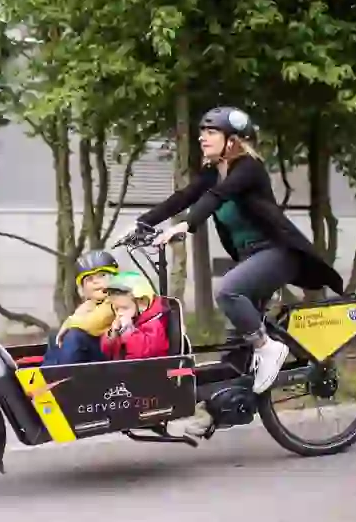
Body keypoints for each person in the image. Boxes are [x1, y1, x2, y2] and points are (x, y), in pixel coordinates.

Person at [131, 106, 344, 438]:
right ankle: (215, 411)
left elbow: (216, 199)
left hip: (277, 252)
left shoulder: (249, 169)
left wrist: (185, 227)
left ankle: (269, 347)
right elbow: (184, 197)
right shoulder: (214, 173)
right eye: (202, 131)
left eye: (211, 131)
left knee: (229, 291)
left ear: (233, 141)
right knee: (233, 350)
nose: (202, 137)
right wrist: (142, 224)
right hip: (250, 257)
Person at [40, 250, 120, 366]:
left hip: (110, 352)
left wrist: (69, 323)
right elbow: (77, 318)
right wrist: (67, 326)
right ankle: (47, 371)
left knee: (75, 336)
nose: (96, 282)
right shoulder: (90, 304)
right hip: (95, 350)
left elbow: (96, 321)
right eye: (89, 279)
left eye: (102, 276)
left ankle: (63, 373)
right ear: (83, 289)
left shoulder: (115, 299)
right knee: (56, 337)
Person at [100, 271, 170, 360]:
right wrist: (112, 335)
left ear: (142, 304)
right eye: (116, 309)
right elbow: (107, 351)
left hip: (148, 370)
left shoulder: (154, 324)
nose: (119, 313)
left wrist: (129, 332)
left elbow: (143, 354)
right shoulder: (130, 318)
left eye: (124, 308)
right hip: (123, 368)